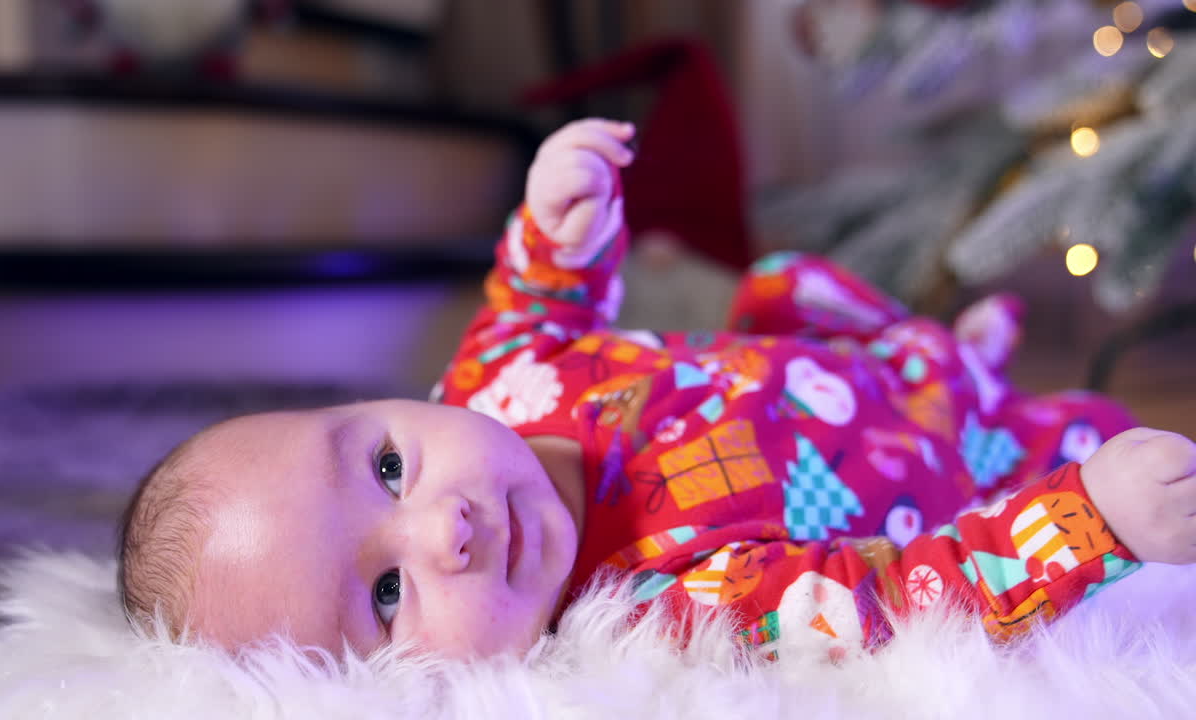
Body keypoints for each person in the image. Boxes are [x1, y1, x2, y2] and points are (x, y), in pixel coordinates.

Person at [117, 119, 1196, 663]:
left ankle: (944, 353)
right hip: (969, 466)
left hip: (844, 375)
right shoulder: (654, 611)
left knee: (788, 292)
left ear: (393, 409)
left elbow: (535, 302)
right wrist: (1086, 519)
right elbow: (907, 600)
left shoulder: (494, 382)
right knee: (1117, 451)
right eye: (387, 596)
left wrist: (557, 225)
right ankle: (987, 389)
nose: (441, 528)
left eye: (387, 468)